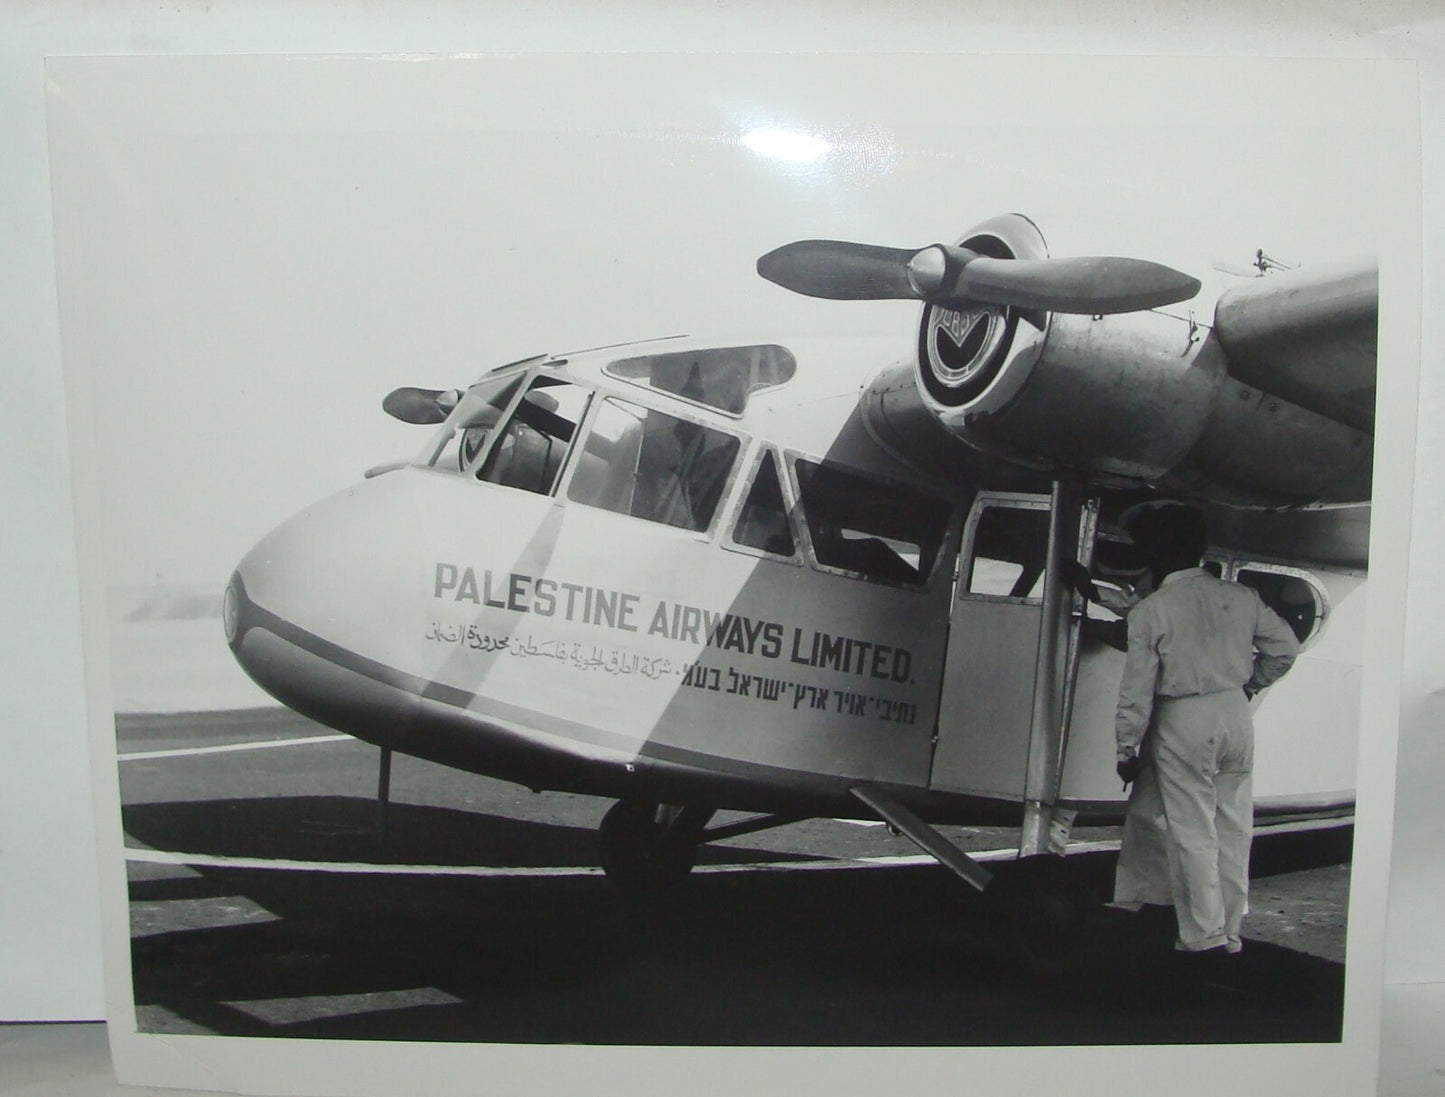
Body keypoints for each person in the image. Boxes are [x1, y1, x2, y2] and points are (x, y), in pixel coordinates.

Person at [1111, 504, 1300, 968]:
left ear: (1157, 554)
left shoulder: (1152, 610)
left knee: (1192, 829)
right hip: (1235, 711)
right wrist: (1250, 684)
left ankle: (1203, 938)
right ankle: (1229, 932)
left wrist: (1126, 748)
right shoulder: (1241, 596)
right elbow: (1285, 648)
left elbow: (1137, 690)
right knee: (1233, 827)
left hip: (1184, 715)